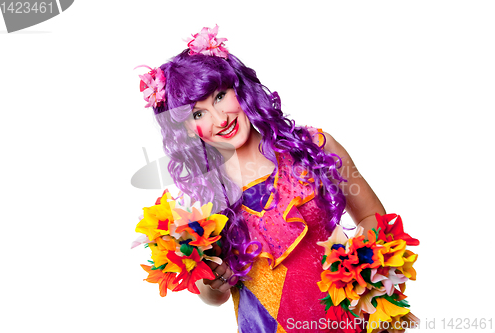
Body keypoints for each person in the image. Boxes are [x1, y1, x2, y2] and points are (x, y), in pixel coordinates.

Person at [138, 26, 386, 332]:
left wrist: (361, 269)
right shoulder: (201, 201)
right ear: (187, 128)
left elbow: (373, 216)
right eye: (197, 114)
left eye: (219, 96)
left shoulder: (312, 147)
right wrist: (214, 281)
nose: (219, 119)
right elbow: (213, 296)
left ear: (238, 87)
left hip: (345, 320)